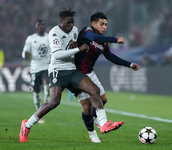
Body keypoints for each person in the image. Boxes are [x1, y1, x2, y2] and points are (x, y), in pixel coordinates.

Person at [19, 8, 124, 143]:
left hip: (73, 70)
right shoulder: (54, 33)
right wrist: (78, 49)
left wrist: (77, 48)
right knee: (54, 102)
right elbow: (57, 55)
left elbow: (76, 45)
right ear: (61, 21)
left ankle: (103, 124)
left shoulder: (74, 30)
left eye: (72, 22)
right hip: (58, 70)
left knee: (94, 92)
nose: (71, 25)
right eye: (68, 23)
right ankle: (27, 125)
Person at [75, 12, 139, 143]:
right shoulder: (87, 32)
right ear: (93, 24)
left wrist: (129, 64)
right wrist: (115, 39)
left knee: (103, 99)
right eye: (101, 24)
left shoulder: (103, 42)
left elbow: (110, 56)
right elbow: (93, 36)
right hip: (78, 74)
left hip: (90, 73)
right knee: (87, 107)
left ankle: (96, 120)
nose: (104, 27)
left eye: (106, 24)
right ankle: (95, 130)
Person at [22, 19, 51, 123]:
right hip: (35, 67)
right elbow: (24, 52)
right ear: (36, 27)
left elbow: (53, 50)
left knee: (46, 83)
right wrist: (25, 55)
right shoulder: (31, 38)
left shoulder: (49, 37)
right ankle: (39, 112)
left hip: (46, 66)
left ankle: (46, 99)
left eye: (43, 25)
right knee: (36, 91)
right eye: (39, 25)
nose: (41, 27)